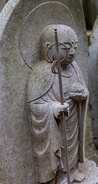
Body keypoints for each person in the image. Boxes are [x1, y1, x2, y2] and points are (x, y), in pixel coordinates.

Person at [27, 24, 88, 183]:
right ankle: (58, 176)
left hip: (73, 121)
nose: (72, 52)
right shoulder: (42, 72)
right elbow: (34, 105)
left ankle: (72, 171)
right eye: (66, 47)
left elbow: (83, 90)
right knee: (60, 150)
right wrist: (52, 108)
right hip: (54, 125)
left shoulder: (74, 68)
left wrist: (82, 94)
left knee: (72, 149)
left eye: (75, 46)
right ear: (49, 48)